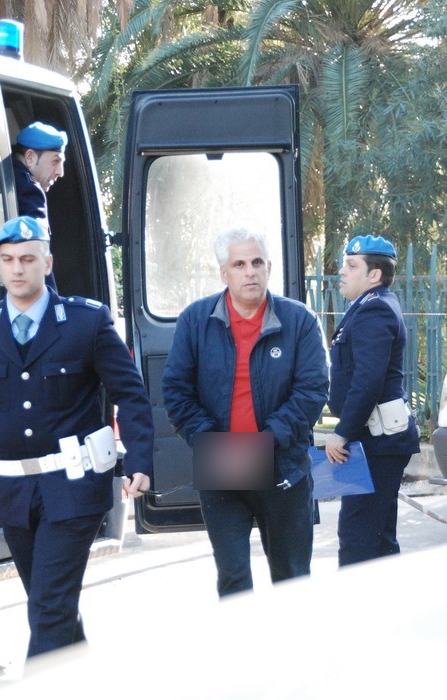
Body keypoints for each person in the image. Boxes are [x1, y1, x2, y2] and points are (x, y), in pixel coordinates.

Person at [0, 215, 154, 658]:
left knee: (48, 608)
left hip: (75, 488)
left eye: (28, 259)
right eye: (8, 260)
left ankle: (39, 699)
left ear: (47, 263)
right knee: (51, 602)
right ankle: (78, 683)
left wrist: (141, 460)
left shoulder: (86, 322)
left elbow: (130, 393)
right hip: (14, 492)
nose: (17, 268)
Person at [162, 228, 329, 597]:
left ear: (269, 267)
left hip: (282, 465)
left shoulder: (300, 320)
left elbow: (312, 390)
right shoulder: (194, 320)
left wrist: (267, 442)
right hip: (221, 463)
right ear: (224, 272)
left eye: (257, 263)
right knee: (234, 580)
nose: (249, 272)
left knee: (292, 579)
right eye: (239, 264)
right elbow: (176, 391)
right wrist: (210, 441)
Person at [325, 234, 420, 567]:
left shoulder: (374, 309)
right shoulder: (370, 305)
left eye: (352, 266)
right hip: (376, 438)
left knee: (357, 539)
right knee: (377, 537)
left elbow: (368, 380)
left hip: (374, 440)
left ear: (374, 275)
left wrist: (343, 432)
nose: (342, 271)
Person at [12, 121, 68, 290]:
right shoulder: (31, 191)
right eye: (55, 161)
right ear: (30, 157)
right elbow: (37, 253)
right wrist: (51, 300)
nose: (60, 172)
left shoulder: (8, 176)